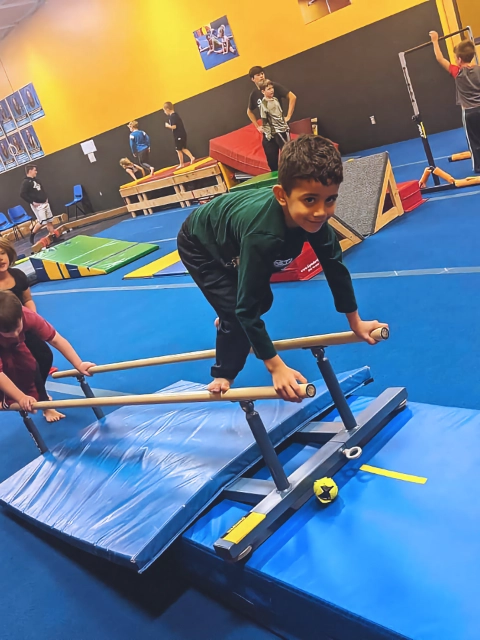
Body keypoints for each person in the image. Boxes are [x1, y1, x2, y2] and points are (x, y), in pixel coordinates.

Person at [177, 135, 387, 402]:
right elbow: (245, 310)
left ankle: (227, 316)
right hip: (201, 241)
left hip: (232, 233)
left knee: (259, 301)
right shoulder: (264, 235)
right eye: (310, 200)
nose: (321, 212)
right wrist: (275, 365)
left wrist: (355, 322)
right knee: (238, 311)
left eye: (330, 199)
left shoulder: (318, 224)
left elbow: (336, 270)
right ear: (282, 196)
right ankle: (223, 374)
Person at [0, 290, 94, 419]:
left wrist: (79, 364)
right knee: (8, 375)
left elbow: (56, 339)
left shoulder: (28, 316)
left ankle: (42, 400)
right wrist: (20, 397)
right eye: (9, 333)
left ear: (21, 316)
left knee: (32, 365)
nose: (16, 335)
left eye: (18, 328)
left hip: (14, 345)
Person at [0, 238, 59, 421]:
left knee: (45, 357)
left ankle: (35, 392)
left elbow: (27, 300)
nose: (0, 259)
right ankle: (44, 404)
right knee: (27, 365)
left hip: (23, 327)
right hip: (4, 334)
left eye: (2, 254)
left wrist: (31, 318)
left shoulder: (17, 275)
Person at [430, 31, 480, 174]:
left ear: (458, 59)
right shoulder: (478, 69)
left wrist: (435, 40)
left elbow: (440, 58)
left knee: (474, 142)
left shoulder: (457, 72)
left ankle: (478, 167)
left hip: (469, 112)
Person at [247, 66, 297, 172]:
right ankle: (279, 183)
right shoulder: (254, 94)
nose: (261, 76)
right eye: (258, 75)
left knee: (290, 157)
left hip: (280, 129)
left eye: (262, 73)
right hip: (268, 132)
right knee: (272, 161)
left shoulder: (273, 86)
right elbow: (249, 111)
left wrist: (288, 116)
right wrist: (257, 126)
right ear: (253, 79)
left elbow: (292, 97)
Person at [20, 165, 57, 245]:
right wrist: (32, 202)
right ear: (30, 171)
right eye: (34, 170)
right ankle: (32, 234)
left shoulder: (37, 180)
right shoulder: (26, 182)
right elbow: (22, 194)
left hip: (45, 203)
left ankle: (54, 236)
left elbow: (42, 190)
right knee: (42, 222)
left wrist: (46, 198)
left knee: (49, 220)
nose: (36, 172)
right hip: (37, 205)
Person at [259, 79, 291, 155]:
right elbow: (264, 120)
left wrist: (285, 124)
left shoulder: (275, 99)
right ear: (263, 91)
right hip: (277, 131)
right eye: (269, 89)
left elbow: (280, 114)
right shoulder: (264, 105)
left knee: (290, 149)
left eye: (272, 88)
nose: (271, 90)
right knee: (285, 151)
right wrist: (268, 135)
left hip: (284, 128)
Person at [163, 102, 195, 168]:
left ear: (167, 109)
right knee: (182, 148)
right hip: (181, 134)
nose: (164, 112)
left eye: (164, 110)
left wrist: (168, 126)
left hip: (179, 135)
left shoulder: (172, 116)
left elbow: (174, 127)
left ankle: (181, 164)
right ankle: (191, 158)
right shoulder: (175, 115)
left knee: (178, 149)